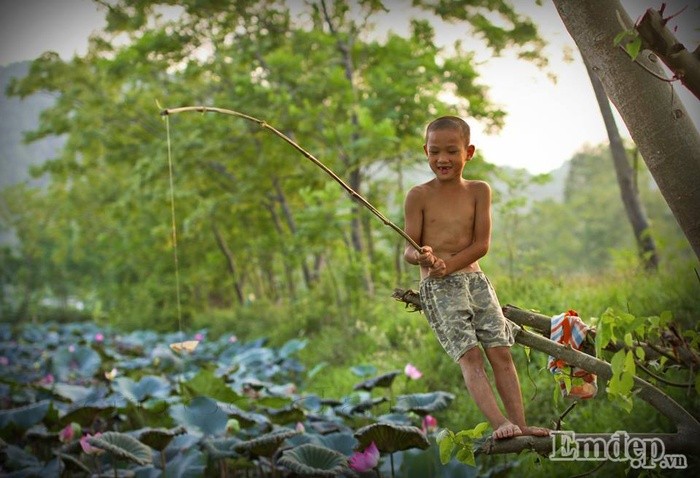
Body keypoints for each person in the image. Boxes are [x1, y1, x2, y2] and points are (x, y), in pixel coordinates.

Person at [403, 115, 548, 440]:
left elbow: (481, 245)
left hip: (476, 282)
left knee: (500, 351)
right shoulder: (418, 195)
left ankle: (520, 423)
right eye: (435, 151)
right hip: (439, 289)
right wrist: (422, 254)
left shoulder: (480, 191)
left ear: (469, 152)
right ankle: (501, 424)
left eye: (452, 151)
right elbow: (407, 250)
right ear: (425, 150)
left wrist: (450, 265)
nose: (443, 159)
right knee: (470, 355)